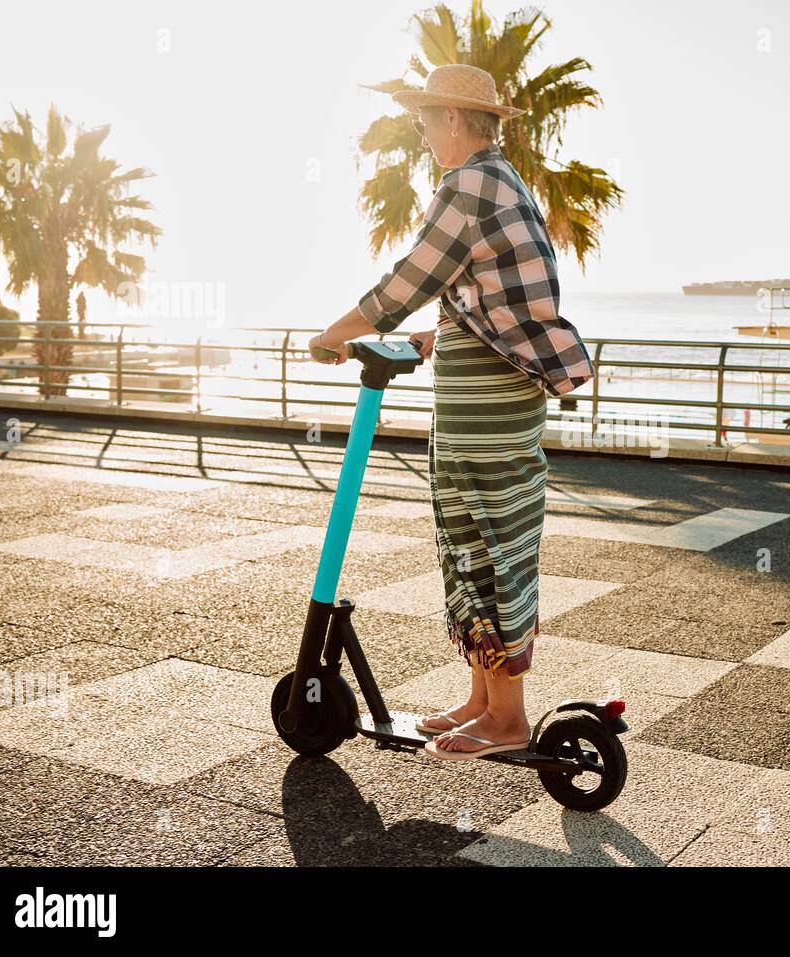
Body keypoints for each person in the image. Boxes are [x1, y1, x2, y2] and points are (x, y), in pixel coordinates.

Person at [309, 64, 594, 758]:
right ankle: (482, 699)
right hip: (494, 392)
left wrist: (334, 332)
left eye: (427, 118)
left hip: (486, 407)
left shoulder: (467, 185)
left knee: (488, 542)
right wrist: (446, 331)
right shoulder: (501, 180)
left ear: (459, 120)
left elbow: (410, 278)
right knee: (471, 538)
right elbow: (491, 291)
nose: (422, 130)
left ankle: (507, 718)